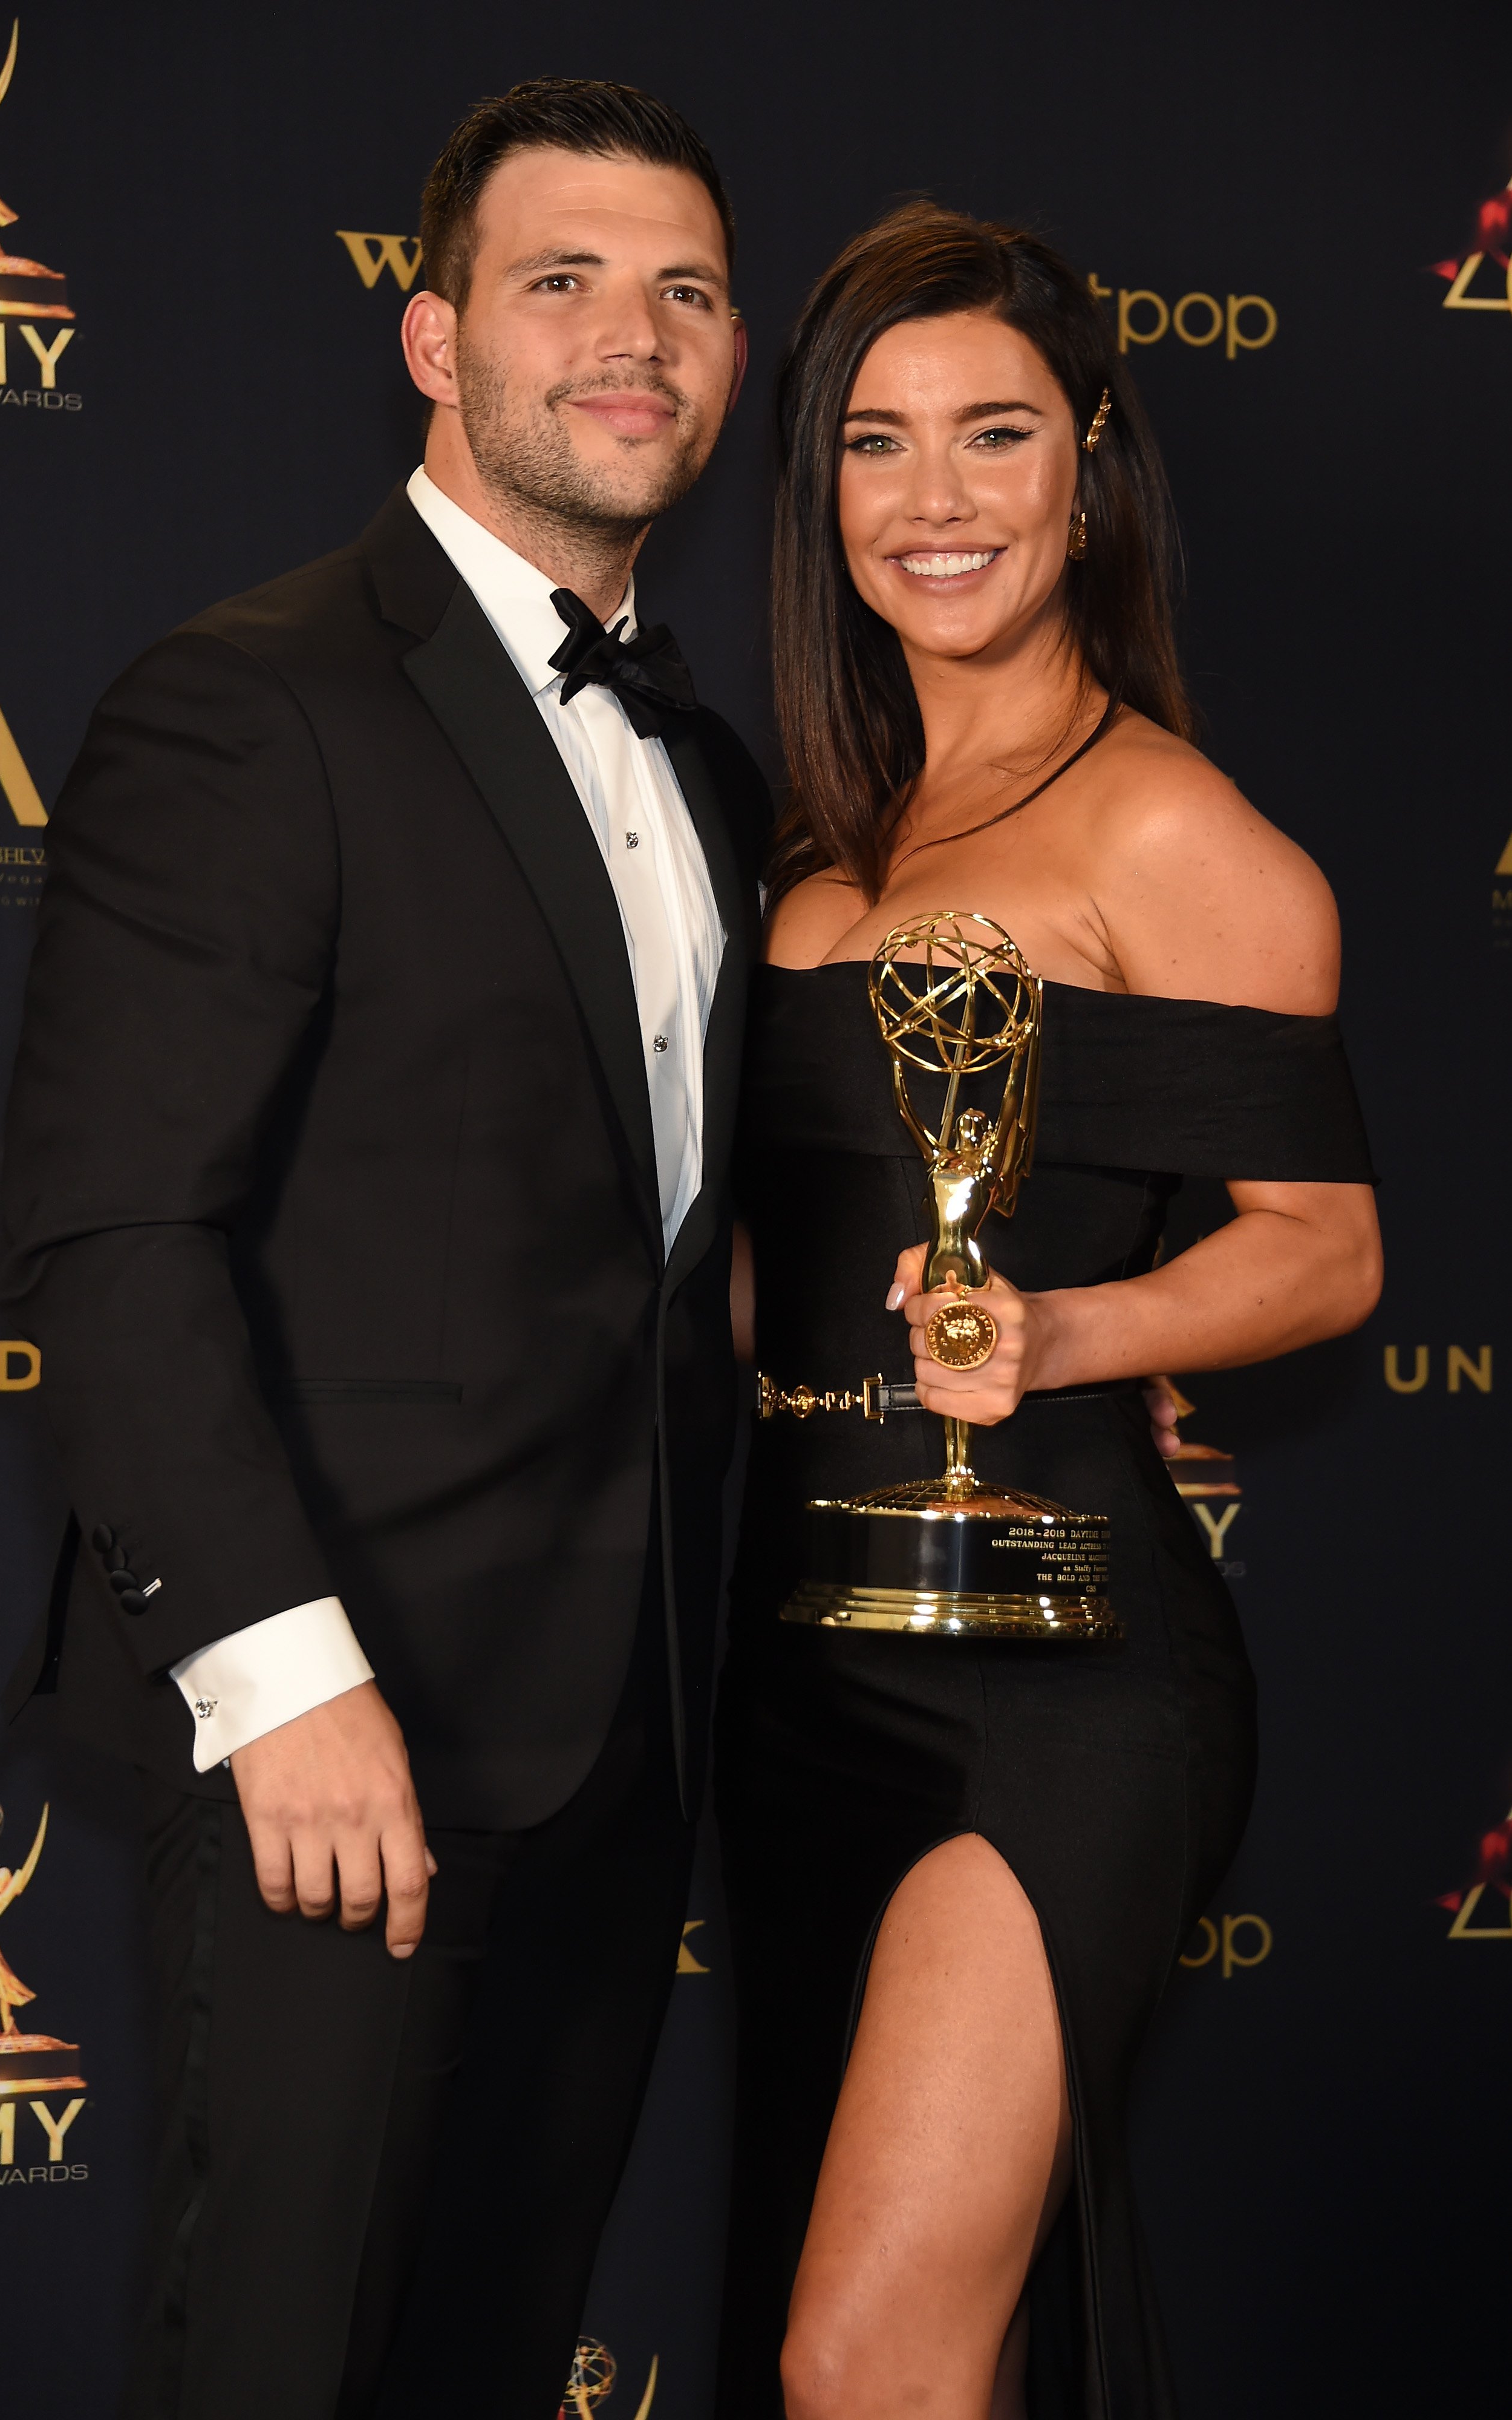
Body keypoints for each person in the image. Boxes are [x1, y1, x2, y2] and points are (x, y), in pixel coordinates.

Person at [0, 78, 766, 2420]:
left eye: (689, 292)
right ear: (433, 341)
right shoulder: (261, 696)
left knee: (483, 2358)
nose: (633, 338)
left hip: (629, 1726)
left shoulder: (717, 763)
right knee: (286, 2370)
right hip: (345, 1738)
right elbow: (119, 1229)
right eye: (564, 283)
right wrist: (278, 1676)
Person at [715, 204, 1381, 2420]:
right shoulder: (820, 839)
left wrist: (1066, 1336)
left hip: (1061, 1671)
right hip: (801, 1656)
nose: (935, 502)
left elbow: (1325, 1245)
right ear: (819, 488)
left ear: (1086, 467)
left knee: (870, 2359)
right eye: (879, 445)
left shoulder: (1175, 835)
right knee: (929, 2346)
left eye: (994, 436)